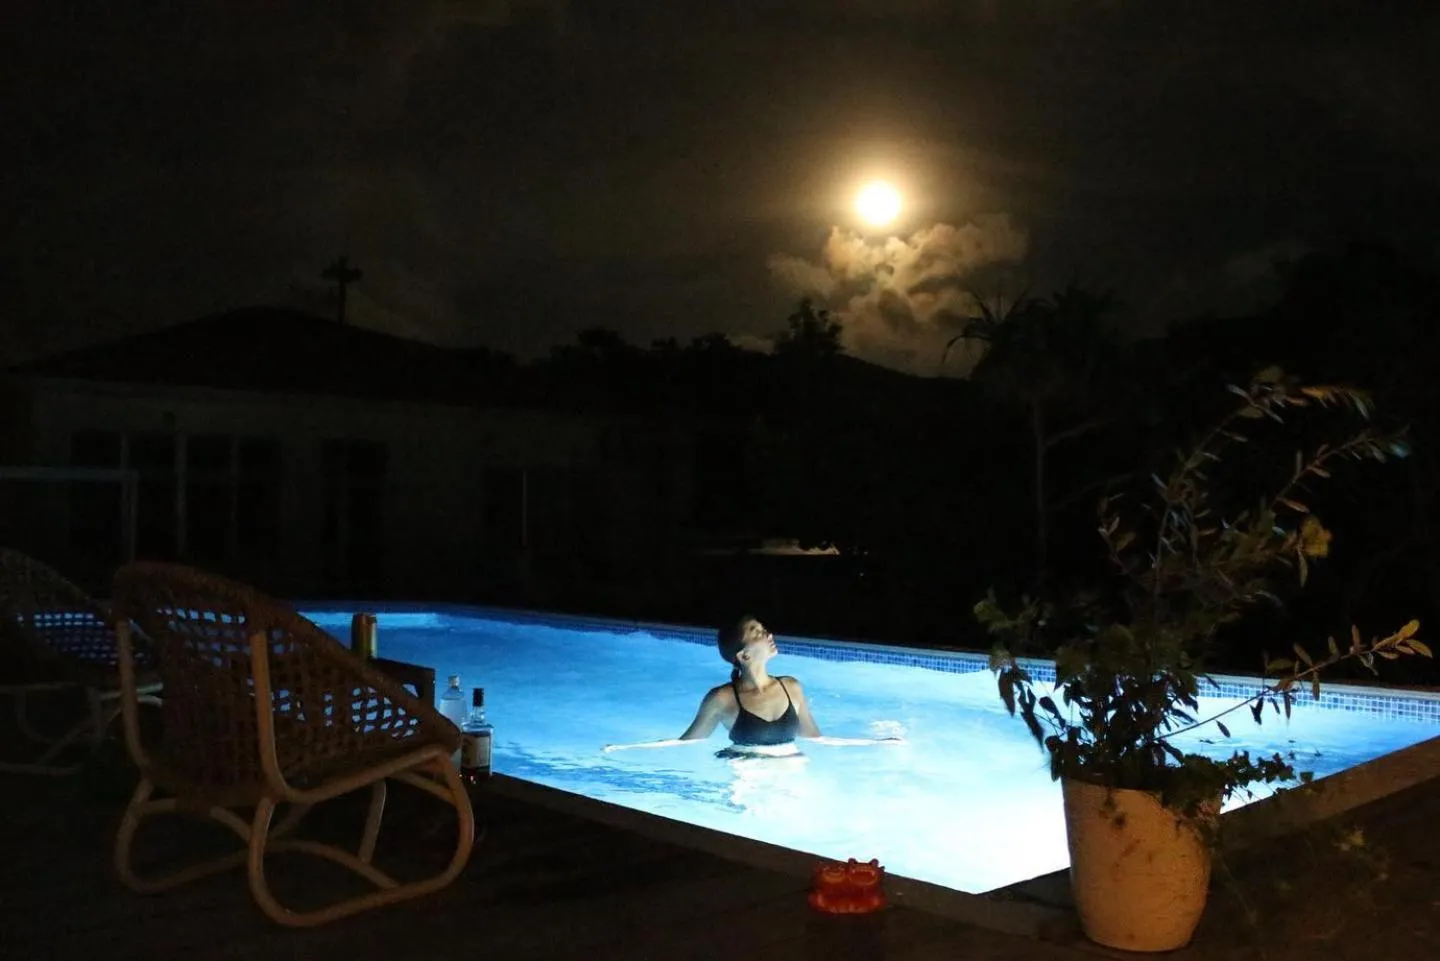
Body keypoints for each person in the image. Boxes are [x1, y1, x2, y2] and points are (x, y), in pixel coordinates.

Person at [602, 616, 903, 756]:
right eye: (757, 631)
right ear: (744, 655)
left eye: (764, 628)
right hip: (746, 774)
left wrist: (876, 744)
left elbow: (817, 739)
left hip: (790, 770)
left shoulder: (792, 688)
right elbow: (687, 743)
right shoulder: (722, 699)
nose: (767, 633)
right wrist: (627, 748)